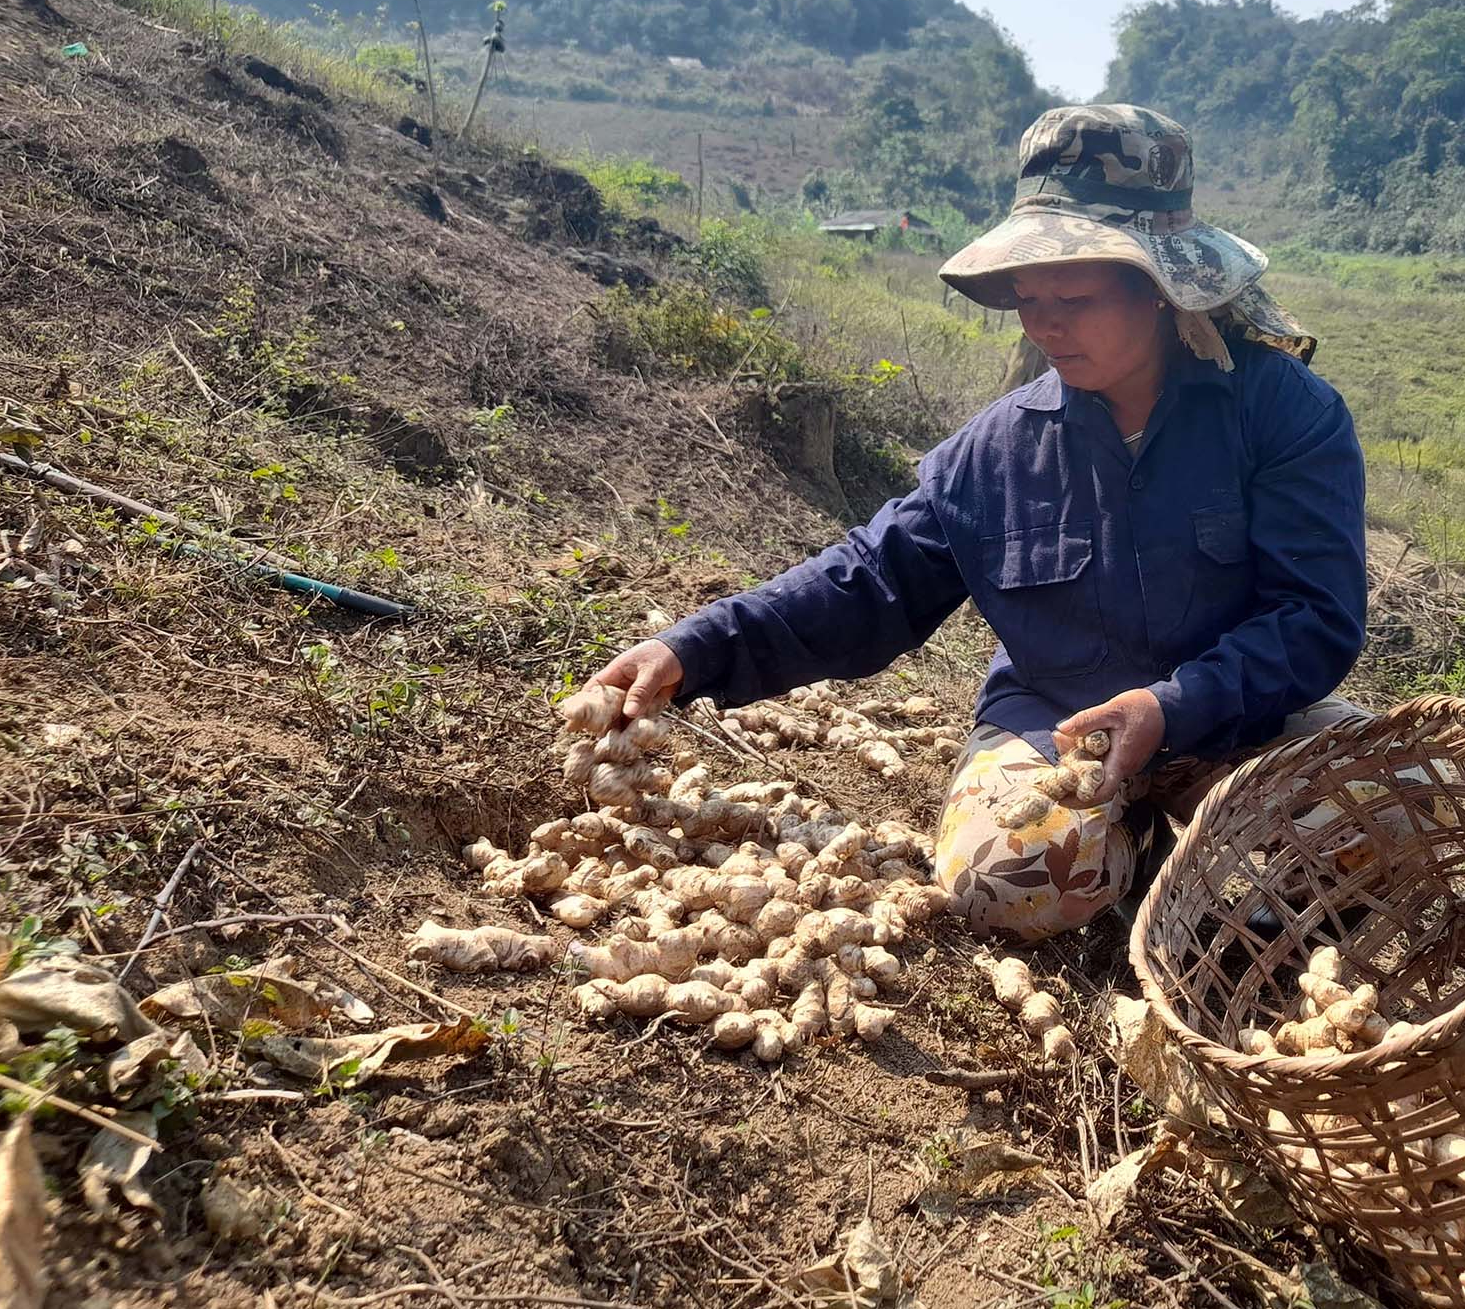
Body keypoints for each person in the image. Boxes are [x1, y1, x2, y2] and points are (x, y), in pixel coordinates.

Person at [584, 104, 1368, 941]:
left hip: (1239, 720)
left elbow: (1315, 617)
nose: (1045, 324)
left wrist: (1175, 708)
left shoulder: (1285, 413)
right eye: (1029, 298)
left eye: (1073, 295)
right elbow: (869, 577)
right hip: (1058, 732)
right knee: (1010, 879)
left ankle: (1197, 860)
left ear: (1161, 289)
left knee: (1399, 809)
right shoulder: (996, 451)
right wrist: (693, 648)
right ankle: (1133, 857)